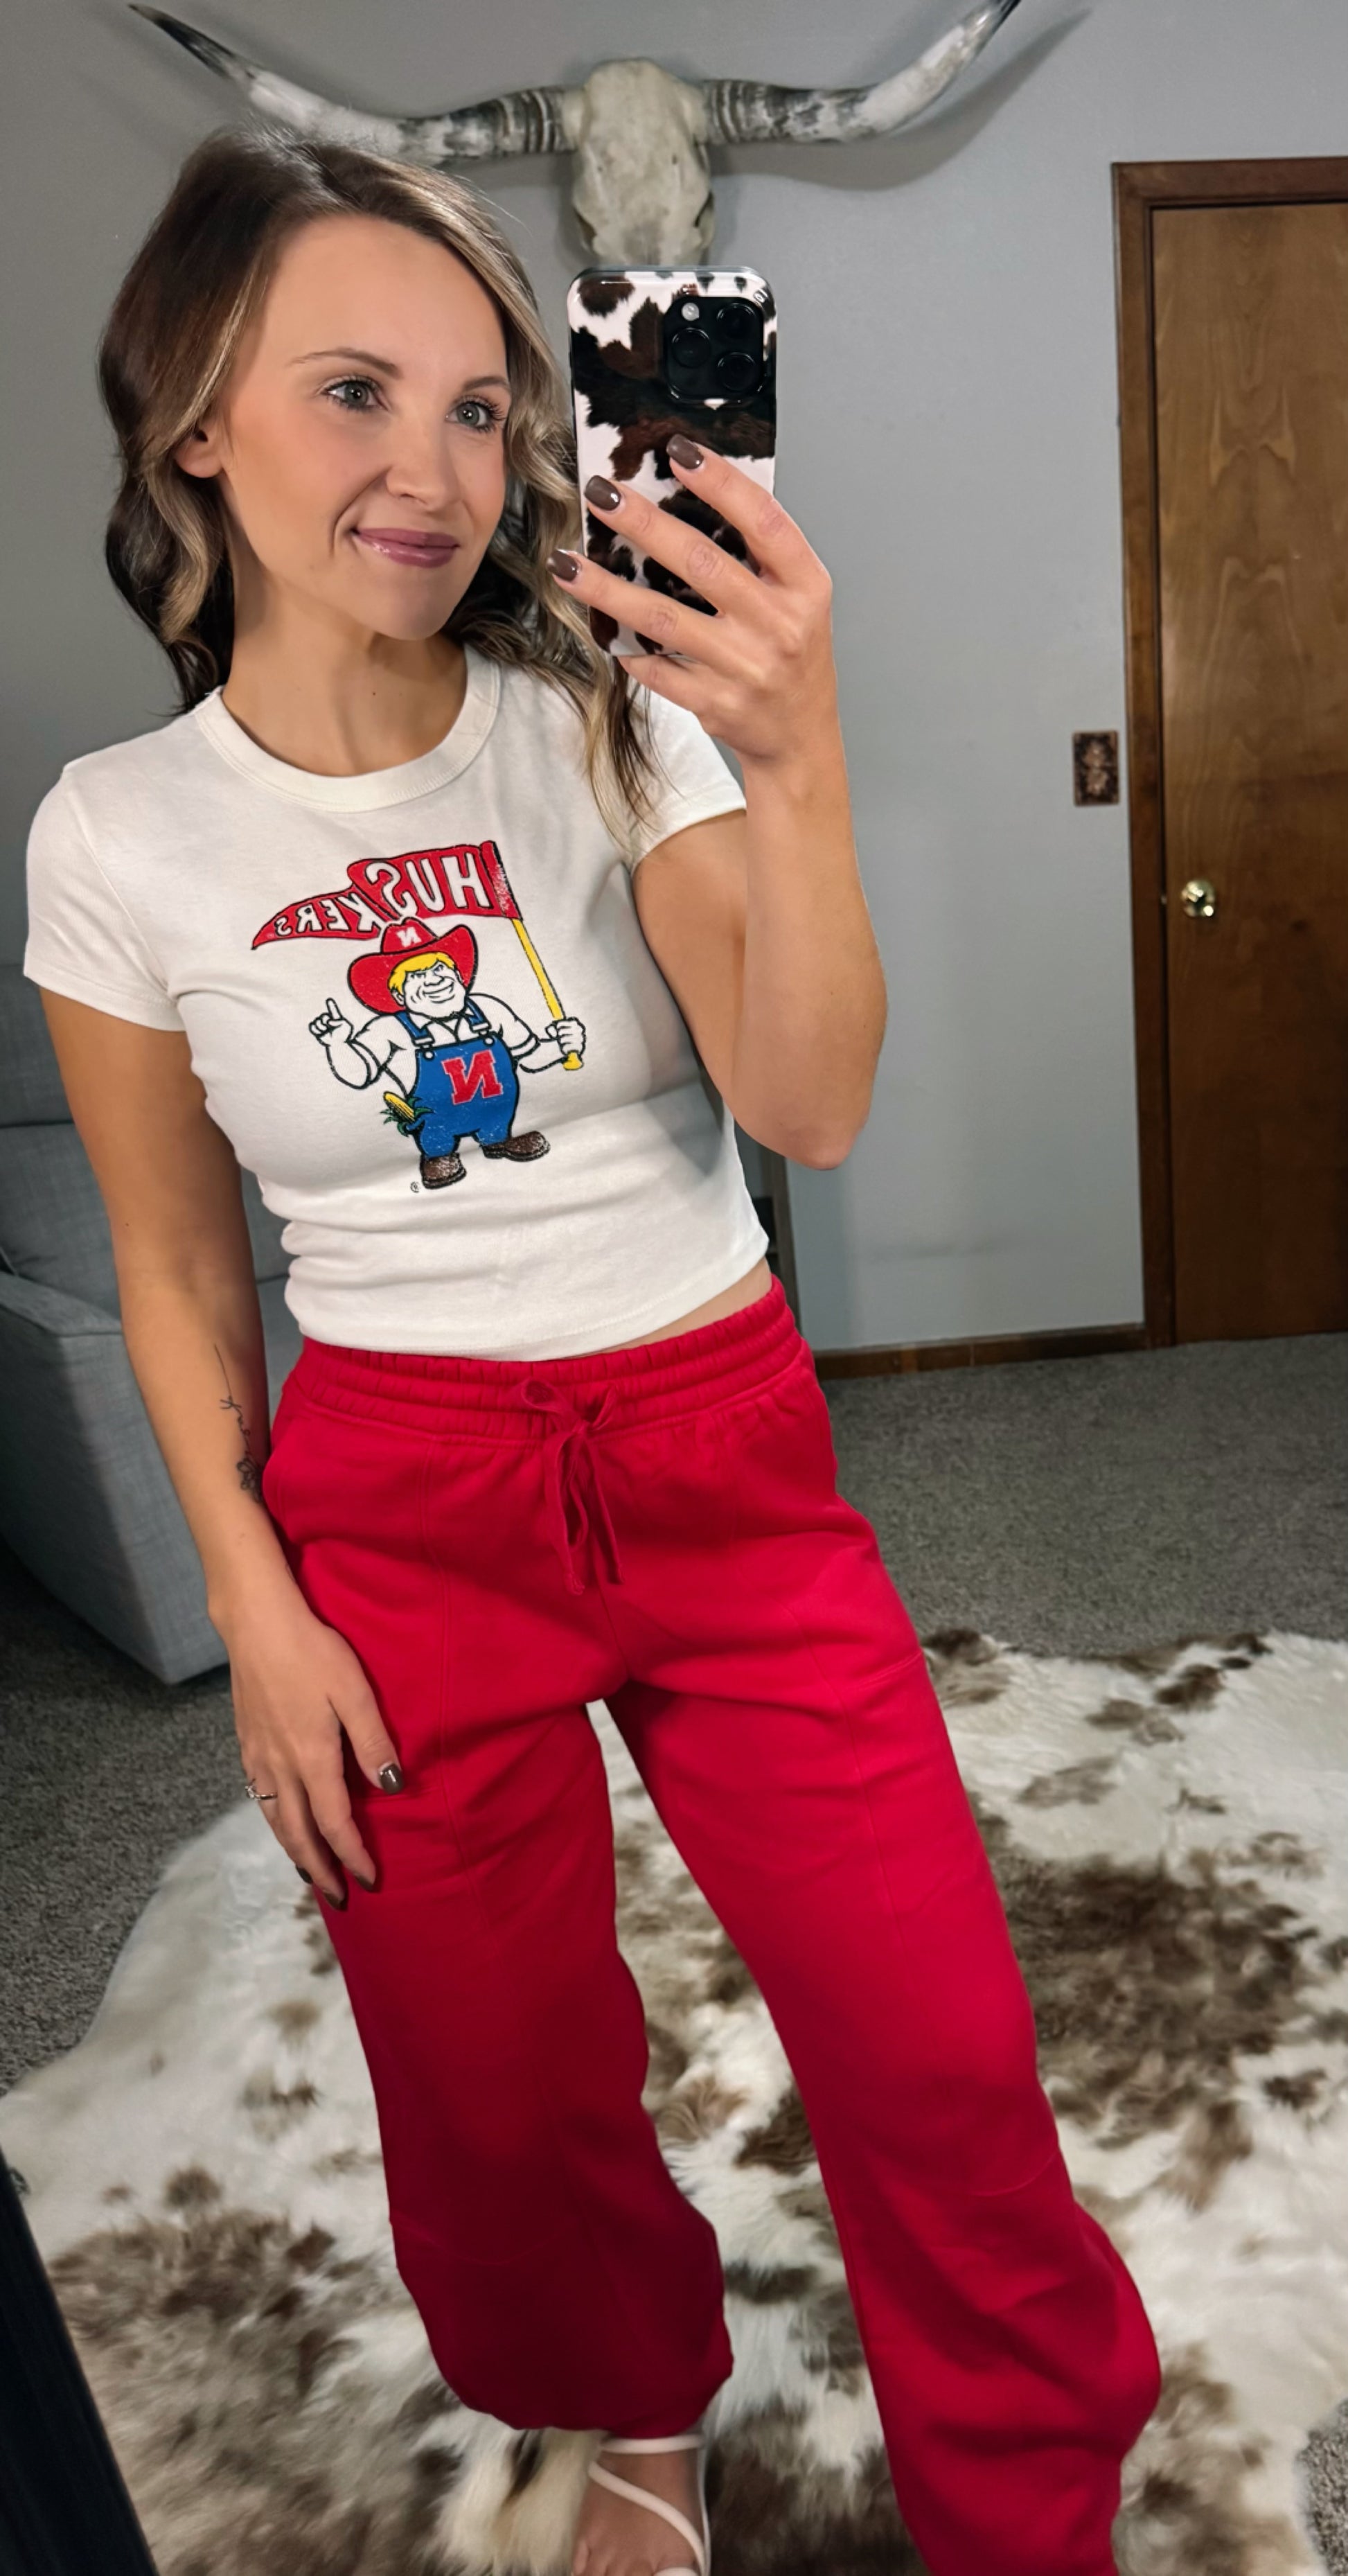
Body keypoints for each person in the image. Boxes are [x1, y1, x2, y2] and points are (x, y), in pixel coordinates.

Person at [24, 128, 1160, 2576]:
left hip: (712, 1440)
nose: (434, 471)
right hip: (398, 1494)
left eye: (480, 406)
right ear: (193, 420)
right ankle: (626, 2409)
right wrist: (253, 1605)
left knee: (936, 2046)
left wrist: (796, 751)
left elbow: (807, 1103)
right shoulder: (115, 835)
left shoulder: (607, 724)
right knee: (497, 2083)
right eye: (352, 391)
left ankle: (1030, 2502)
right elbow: (178, 1265)